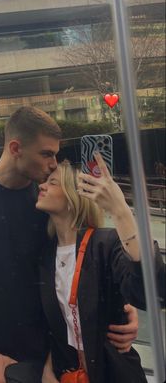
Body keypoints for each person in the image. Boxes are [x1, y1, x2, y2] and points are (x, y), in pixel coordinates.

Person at [0, 107, 138, 383]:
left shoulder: (46, 205)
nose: (54, 163)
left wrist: (121, 306)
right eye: (46, 154)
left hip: (40, 362)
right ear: (16, 148)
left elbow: (78, 266)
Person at [37, 153, 164, 382]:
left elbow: (151, 292)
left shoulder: (105, 244)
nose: (42, 186)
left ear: (72, 196)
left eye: (52, 182)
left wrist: (120, 211)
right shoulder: (46, 254)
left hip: (115, 373)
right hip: (68, 374)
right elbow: (52, 326)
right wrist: (48, 368)